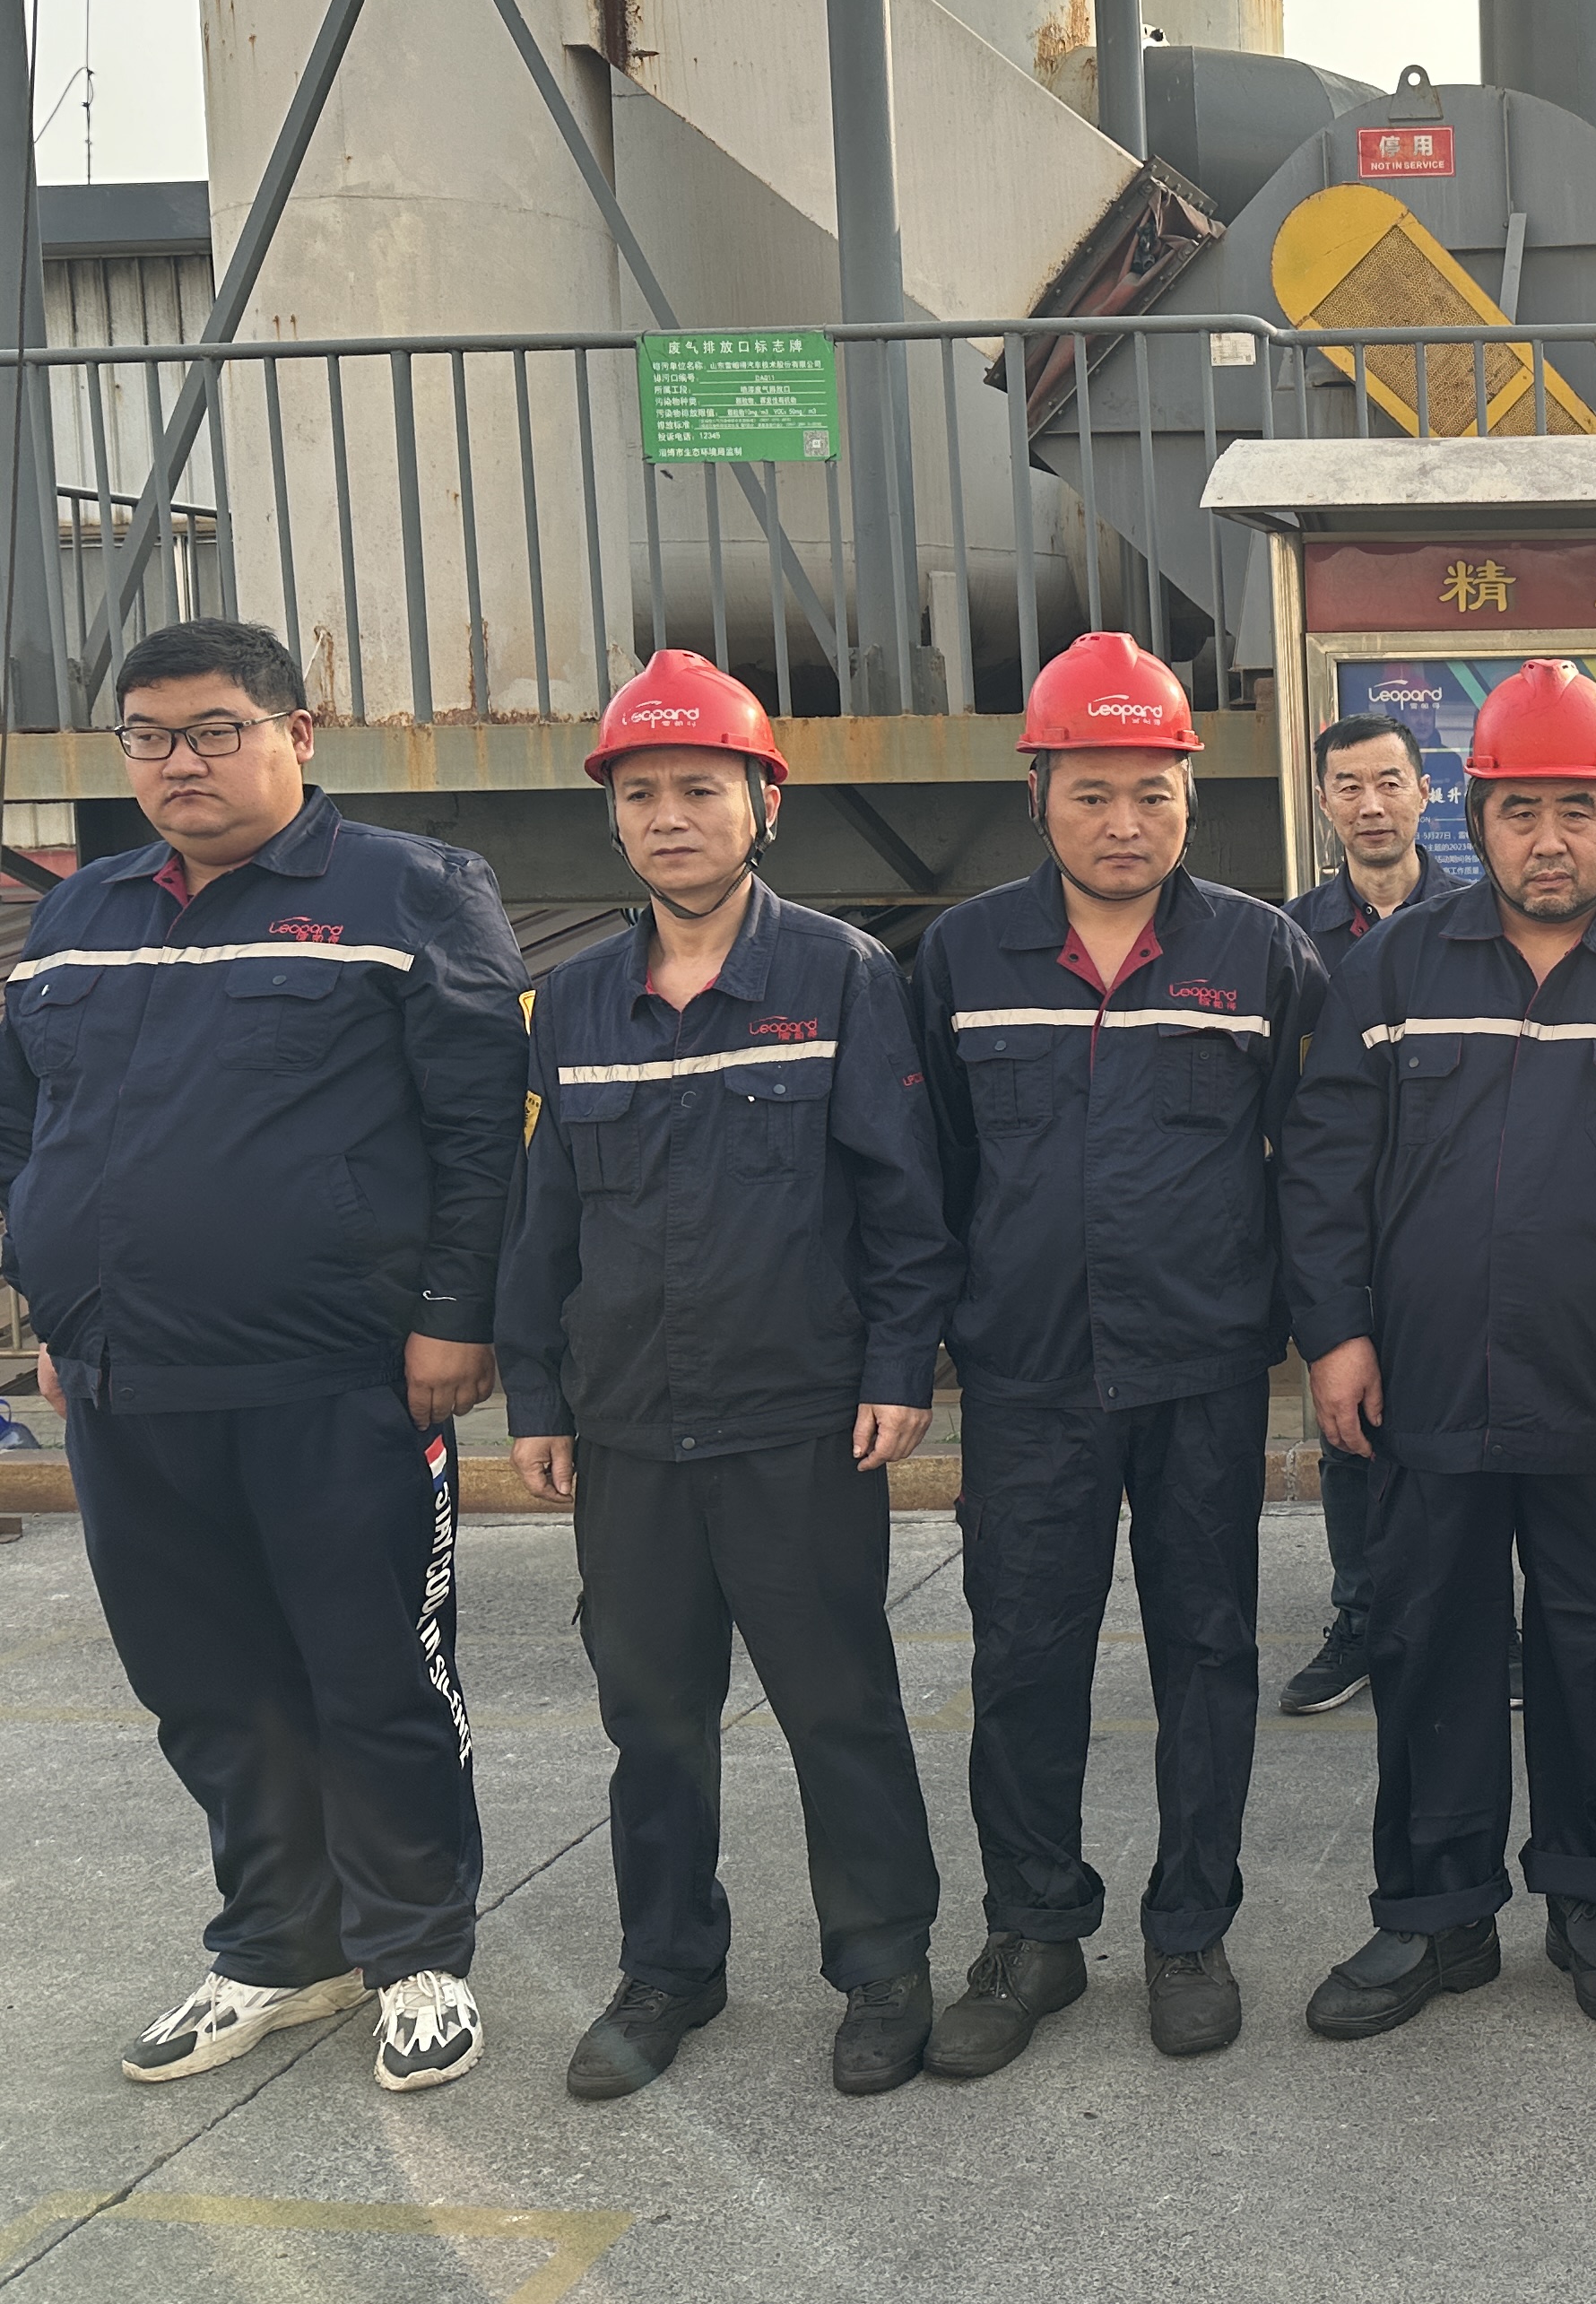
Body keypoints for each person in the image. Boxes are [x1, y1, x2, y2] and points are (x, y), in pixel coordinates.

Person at [0, 618, 525, 2094]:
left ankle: (415, 1948)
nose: (181, 762)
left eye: (216, 729)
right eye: (150, 736)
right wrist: (56, 1307)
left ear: (300, 731)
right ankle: (281, 1946)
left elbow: (481, 1126)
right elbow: (31, 1128)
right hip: (127, 1379)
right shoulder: (81, 914)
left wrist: (457, 1311)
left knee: (374, 1672)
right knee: (205, 1682)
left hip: (337, 1374)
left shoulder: (407, 892)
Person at [499, 652, 961, 2102]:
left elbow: (903, 1198)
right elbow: (542, 1220)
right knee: (651, 1720)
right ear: (614, 819)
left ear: (765, 802)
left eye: (700, 787)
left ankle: (882, 1964)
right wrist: (535, 1395)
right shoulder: (573, 1001)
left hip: (795, 1418)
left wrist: (898, 1362)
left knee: (839, 1706)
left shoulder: (837, 974)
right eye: (641, 794)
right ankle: (668, 1968)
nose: (670, 817)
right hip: (629, 1424)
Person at [1278, 659, 1596, 2040]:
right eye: (1519, 810)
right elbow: (1327, 1161)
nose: (1548, 840)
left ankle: (1591, 1894)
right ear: (1476, 819)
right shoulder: (1396, 963)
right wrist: (1336, 1333)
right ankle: (1436, 1912)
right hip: (1427, 1383)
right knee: (1430, 1645)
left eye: (1577, 811)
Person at [908, 636, 1326, 2078]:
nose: (1125, 822)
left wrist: (1325, 1337)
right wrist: (917, 1348)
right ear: (1038, 794)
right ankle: (1033, 1932)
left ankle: (1190, 1929)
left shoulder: (1261, 955)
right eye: (1092, 792)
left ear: (1191, 798)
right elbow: (925, 1172)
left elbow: (1316, 1165)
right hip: (1026, 1376)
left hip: (1202, 1370)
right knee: (1025, 1655)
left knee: (1208, 1650)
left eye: (1153, 792)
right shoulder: (962, 957)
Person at [1273, 713, 1451, 1719]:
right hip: (1341, 1223)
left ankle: (1488, 1622)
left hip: (1451, 1219)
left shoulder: (1477, 921)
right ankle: (1361, 1616)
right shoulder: (1288, 939)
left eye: (1390, 782)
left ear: (1426, 792)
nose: (1372, 805)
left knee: (1469, 1429)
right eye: (1349, 786)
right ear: (1324, 802)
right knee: (1349, 1428)